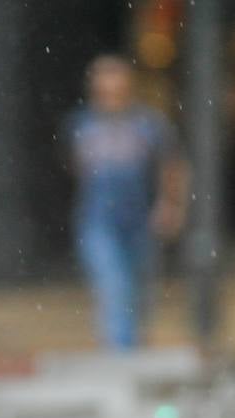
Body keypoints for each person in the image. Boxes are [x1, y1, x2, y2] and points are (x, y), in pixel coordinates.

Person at [62, 55, 188, 350]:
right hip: (97, 218)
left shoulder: (148, 124)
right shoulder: (80, 125)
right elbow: (75, 168)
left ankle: (132, 345)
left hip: (139, 218)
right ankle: (121, 352)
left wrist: (169, 205)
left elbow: (172, 166)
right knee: (113, 285)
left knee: (140, 291)